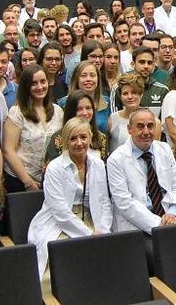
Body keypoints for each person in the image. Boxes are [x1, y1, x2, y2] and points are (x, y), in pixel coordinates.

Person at [28, 117, 112, 284]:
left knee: (106, 257)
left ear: (90, 137)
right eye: (73, 138)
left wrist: (103, 230)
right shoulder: (55, 167)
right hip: (58, 223)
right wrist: (89, 234)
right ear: (65, 142)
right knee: (60, 259)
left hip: (91, 217)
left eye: (83, 137)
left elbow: (104, 202)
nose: (79, 143)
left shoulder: (98, 164)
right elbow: (60, 212)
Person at [106, 108, 176, 233]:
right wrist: (159, 224)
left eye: (150, 126)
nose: (146, 132)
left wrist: (173, 212)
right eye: (140, 126)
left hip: (168, 221)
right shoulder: (116, 159)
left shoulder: (164, 149)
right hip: (135, 228)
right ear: (129, 129)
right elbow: (124, 203)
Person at [2, 65, 64, 193]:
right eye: (34, 83)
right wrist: (27, 182)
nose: (40, 87)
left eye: (43, 81)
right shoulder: (17, 113)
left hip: (50, 180)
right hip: (19, 180)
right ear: (25, 87)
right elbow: (8, 150)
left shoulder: (58, 111)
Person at [47, 90, 109, 164]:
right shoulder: (58, 139)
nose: (85, 113)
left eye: (88, 108)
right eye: (79, 109)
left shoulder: (101, 138)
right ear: (70, 111)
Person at [107, 72, 161, 152]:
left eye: (134, 93)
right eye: (125, 93)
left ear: (141, 95)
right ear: (120, 96)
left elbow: (156, 152)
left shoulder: (154, 122)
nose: (130, 97)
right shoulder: (112, 118)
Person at [60, 61, 110, 132]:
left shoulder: (106, 102)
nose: (88, 79)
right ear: (76, 79)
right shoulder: (64, 103)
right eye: (83, 75)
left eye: (92, 75)